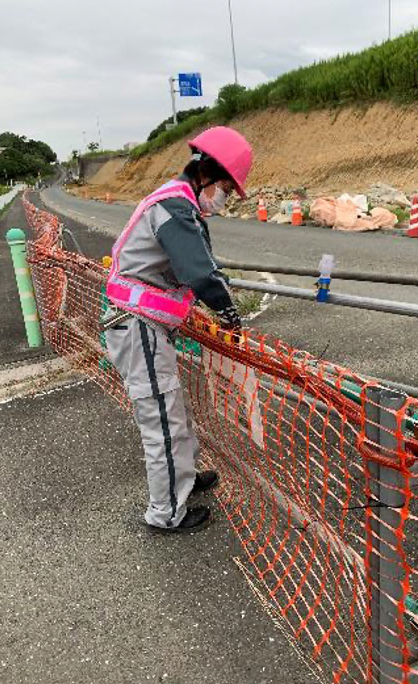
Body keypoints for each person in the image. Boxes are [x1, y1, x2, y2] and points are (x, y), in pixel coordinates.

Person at [103, 125, 252, 533]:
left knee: (174, 411)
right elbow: (200, 272)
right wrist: (228, 312)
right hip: (138, 327)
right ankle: (167, 512)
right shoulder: (175, 207)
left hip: (144, 326)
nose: (224, 198)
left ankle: (182, 480)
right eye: (225, 187)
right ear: (208, 174)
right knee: (162, 421)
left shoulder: (176, 201)